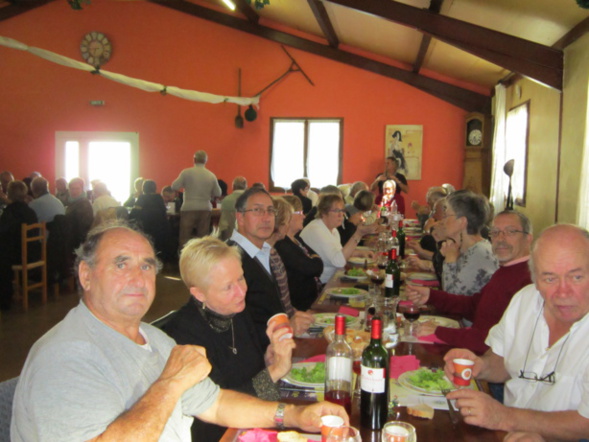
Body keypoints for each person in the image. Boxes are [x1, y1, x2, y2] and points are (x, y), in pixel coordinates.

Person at [11, 222, 348, 440]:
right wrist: (170, 383)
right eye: (120, 263)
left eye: (146, 265)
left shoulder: (156, 340)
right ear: (85, 275)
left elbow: (215, 404)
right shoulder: (64, 357)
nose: (137, 276)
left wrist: (295, 415)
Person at [443, 224, 589, 440]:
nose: (563, 292)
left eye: (576, 277)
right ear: (535, 279)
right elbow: (502, 361)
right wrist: (479, 366)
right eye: (549, 278)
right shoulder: (525, 300)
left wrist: (504, 417)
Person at [163, 237, 296, 441]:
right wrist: (274, 371)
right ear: (199, 294)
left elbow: (252, 383)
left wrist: (267, 361)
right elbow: (218, 411)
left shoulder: (236, 311)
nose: (241, 291)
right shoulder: (183, 337)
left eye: (241, 279)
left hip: (253, 426)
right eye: (227, 287)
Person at [406, 211, 533, 354]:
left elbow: (499, 341)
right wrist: (431, 296)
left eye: (510, 232)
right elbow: (475, 306)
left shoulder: (528, 282)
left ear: (528, 238)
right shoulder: (506, 270)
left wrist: (440, 332)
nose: (501, 238)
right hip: (472, 349)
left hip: (484, 362)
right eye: (495, 232)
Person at [228, 187, 313, 347]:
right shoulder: (230, 259)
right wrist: (287, 327)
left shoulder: (267, 251)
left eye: (270, 211)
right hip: (257, 358)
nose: (266, 218)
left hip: (278, 346)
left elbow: (271, 306)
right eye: (258, 211)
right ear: (240, 217)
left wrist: (295, 317)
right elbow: (233, 329)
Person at [300, 193, 375, 284]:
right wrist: (358, 234)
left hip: (334, 278)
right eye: (336, 210)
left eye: (342, 210)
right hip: (320, 285)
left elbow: (339, 253)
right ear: (324, 212)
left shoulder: (333, 230)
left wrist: (360, 253)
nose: (341, 214)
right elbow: (339, 261)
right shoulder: (316, 230)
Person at [437, 190, 498, 296]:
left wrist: (450, 259)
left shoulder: (479, 253)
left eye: (446, 216)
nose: (443, 221)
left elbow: (452, 297)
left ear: (462, 222)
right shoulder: (464, 248)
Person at [275, 195, 323, 311]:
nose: (304, 216)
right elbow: (313, 268)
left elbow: (318, 263)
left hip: (313, 298)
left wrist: (314, 259)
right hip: (301, 306)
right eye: (300, 212)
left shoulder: (297, 239)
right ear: (288, 216)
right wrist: (313, 259)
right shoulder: (282, 244)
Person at [0, 180, 38, 310]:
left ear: (9, 194)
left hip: (18, 256)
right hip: (32, 252)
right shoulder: (30, 211)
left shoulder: (9, 213)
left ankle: (4, 298)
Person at [172, 150, 222, 246]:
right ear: (206, 161)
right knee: (202, 238)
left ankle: (184, 256)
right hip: (205, 208)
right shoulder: (211, 175)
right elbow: (218, 192)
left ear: (194, 159)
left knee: (185, 236)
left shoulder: (186, 172)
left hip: (188, 207)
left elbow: (174, 186)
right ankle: (200, 258)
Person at [65, 177, 93, 251]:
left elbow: (83, 227)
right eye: (72, 189)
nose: (74, 191)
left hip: (78, 243)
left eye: (77, 188)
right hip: (72, 239)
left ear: (82, 189)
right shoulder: (73, 202)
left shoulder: (84, 204)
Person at [218, 176, 247, 241]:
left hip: (230, 236)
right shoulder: (250, 199)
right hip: (247, 237)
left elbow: (223, 224)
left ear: (233, 187)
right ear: (245, 186)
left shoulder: (226, 200)